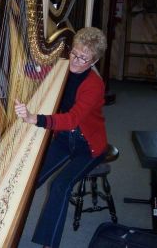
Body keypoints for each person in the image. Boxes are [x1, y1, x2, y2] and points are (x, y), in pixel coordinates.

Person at [14, 27, 108, 248]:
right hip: (64, 140)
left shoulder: (94, 85)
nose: (75, 61)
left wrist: (34, 118)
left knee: (59, 185)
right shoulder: (63, 67)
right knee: (30, 178)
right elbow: (40, 71)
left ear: (94, 60)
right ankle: (8, 223)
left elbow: (72, 119)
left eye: (83, 58)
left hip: (88, 146)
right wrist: (24, 65)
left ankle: (49, 243)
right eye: (74, 53)